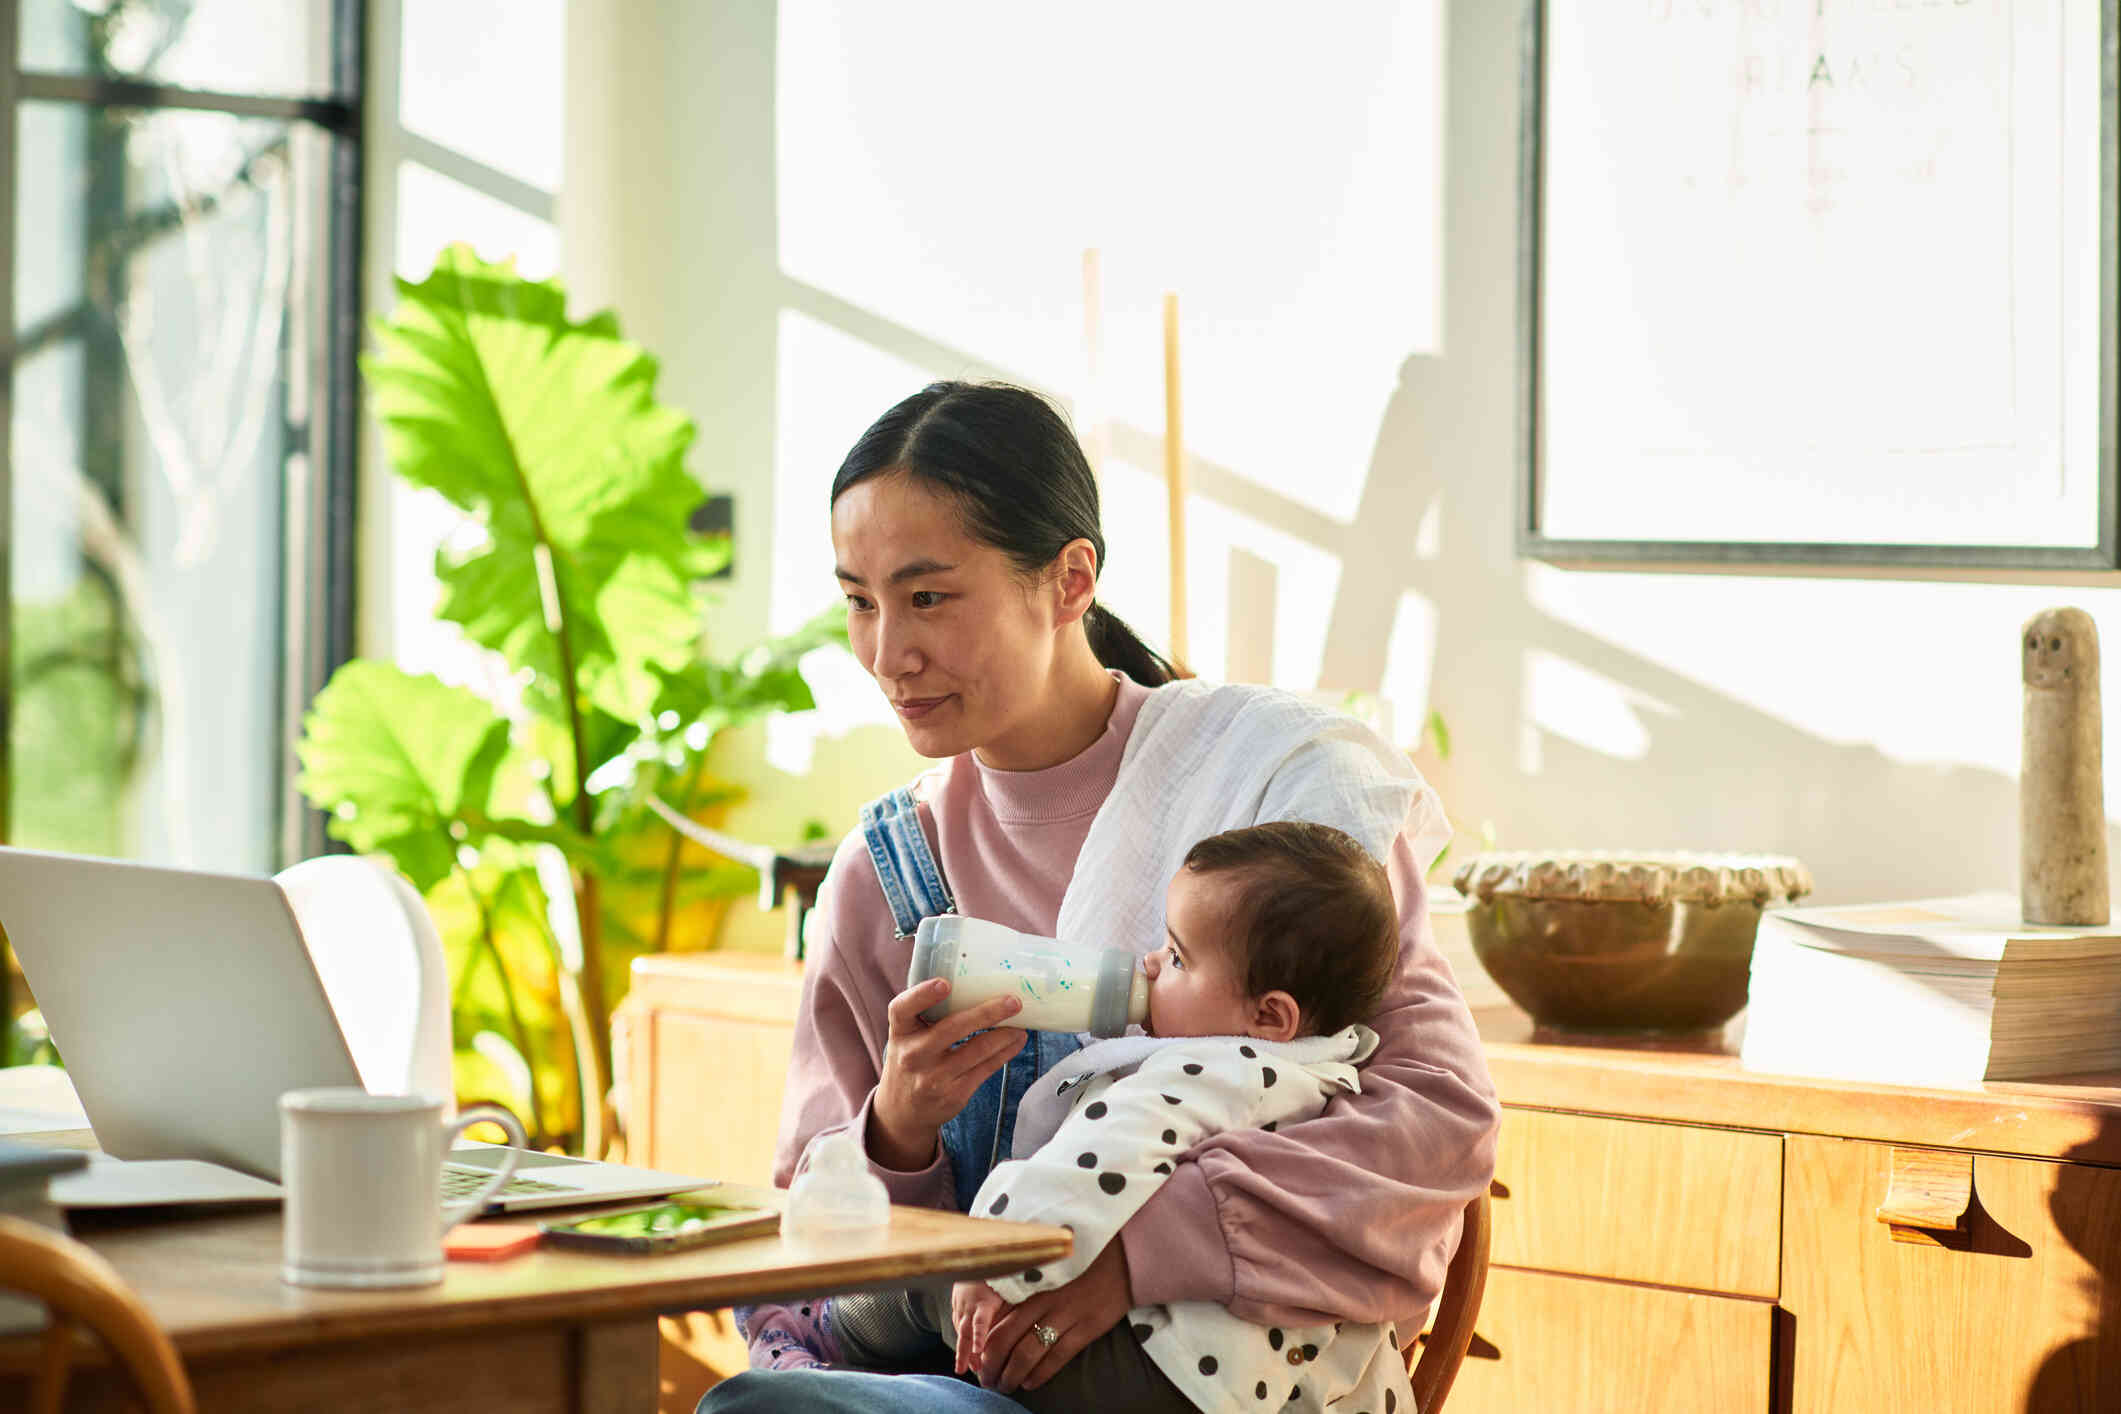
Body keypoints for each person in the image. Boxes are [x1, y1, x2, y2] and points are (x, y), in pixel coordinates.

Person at [702, 380, 1498, 1413]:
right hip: (962, 1383)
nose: (888, 653)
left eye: (929, 596)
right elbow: (808, 1277)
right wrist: (896, 1132)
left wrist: (1128, 1258)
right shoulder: (887, 875)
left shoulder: (1273, 794)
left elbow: (1434, 1128)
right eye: (861, 599)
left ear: (1069, 578)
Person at [937, 819, 1415, 1414]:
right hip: (1274, 1389)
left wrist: (994, 1260)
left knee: (930, 1278)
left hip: (1165, 1379)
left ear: (1270, 1017)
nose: (1152, 962)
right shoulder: (1332, 1078)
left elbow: (1096, 1160)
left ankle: (830, 1326)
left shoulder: (1213, 1070)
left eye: (1179, 956)